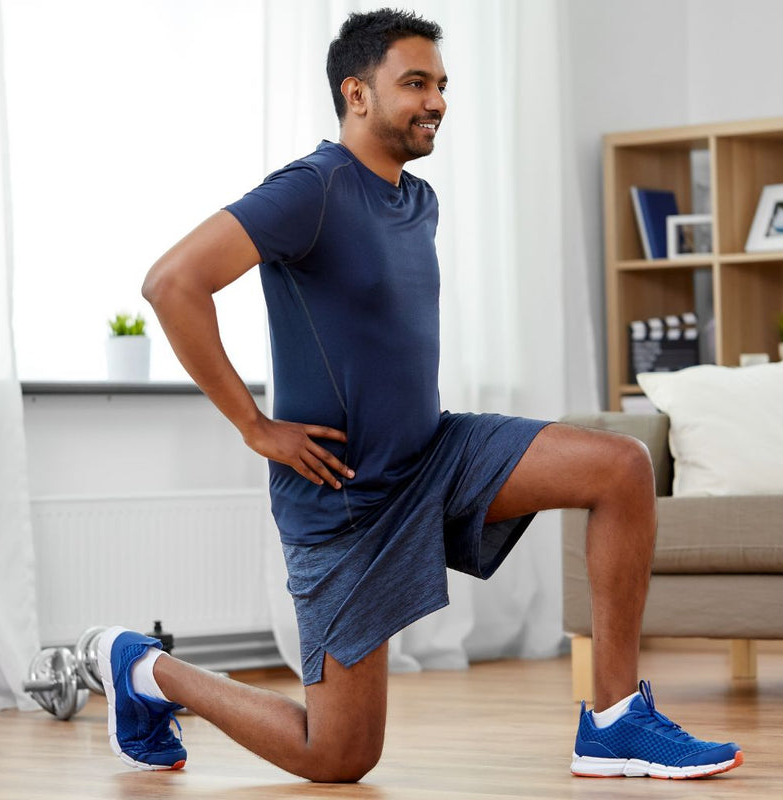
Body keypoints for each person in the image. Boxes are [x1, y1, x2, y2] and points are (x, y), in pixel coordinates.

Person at [104, 8, 743, 783]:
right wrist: (256, 426)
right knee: (339, 756)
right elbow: (172, 284)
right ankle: (144, 669)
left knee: (620, 467)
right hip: (346, 499)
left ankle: (613, 722)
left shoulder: (418, 199)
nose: (436, 99)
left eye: (441, 84)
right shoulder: (312, 188)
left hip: (434, 454)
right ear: (357, 93)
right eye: (415, 83)